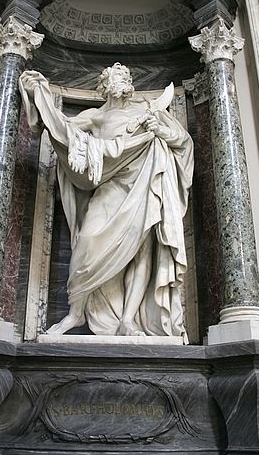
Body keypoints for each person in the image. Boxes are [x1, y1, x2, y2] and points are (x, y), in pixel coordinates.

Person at [19, 63, 193, 339]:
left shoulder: (148, 110)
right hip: (109, 189)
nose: (123, 80)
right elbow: (59, 128)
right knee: (86, 246)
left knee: (139, 255)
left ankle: (128, 321)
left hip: (143, 186)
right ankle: (75, 314)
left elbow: (182, 141)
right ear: (104, 85)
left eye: (126, 76)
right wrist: (38, 92)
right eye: (116, 76)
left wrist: (159, 128)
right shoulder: (95, 117)